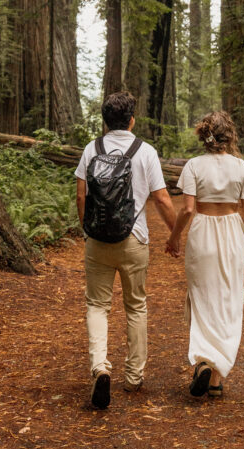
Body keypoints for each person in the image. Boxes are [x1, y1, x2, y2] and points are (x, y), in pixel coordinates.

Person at [75, 91, 176, 409]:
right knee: (136, 307)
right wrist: (177, 233)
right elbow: (161, 198)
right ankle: (133, 377)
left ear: (105, 121)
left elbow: (81, 196)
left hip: (99, 242)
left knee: (97, 306)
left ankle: (100, 367)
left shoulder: (92, 149)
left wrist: (87, 230)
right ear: (131, 119)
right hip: (135, 240)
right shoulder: (145, 151)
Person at [165, 110, 244, 398]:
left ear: (204, 136)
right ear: (229, 135)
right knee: (228, 300)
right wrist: (240, 234)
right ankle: (216, 377)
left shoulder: (194, 165)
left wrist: (174, 236)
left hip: (203, 230)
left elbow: (188, 209)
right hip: (232, 229)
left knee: (202, 297)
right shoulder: (241, 167)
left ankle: (205, 360)